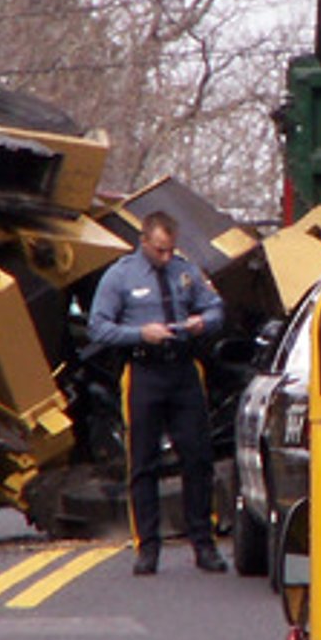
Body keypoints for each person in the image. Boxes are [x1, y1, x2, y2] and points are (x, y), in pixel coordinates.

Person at [88, 211, 228, 576]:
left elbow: (216, 308)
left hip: (182, 369)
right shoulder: (120, 276)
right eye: (160, 250)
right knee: (143, 461)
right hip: (144, 370)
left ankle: (204, 543)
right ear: (144, 241)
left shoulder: (185, 271)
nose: (166, 257)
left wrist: (202, 322)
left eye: (170, 250)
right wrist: (140, 334)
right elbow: (98, 327)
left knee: (198, 459)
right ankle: (147, 547)